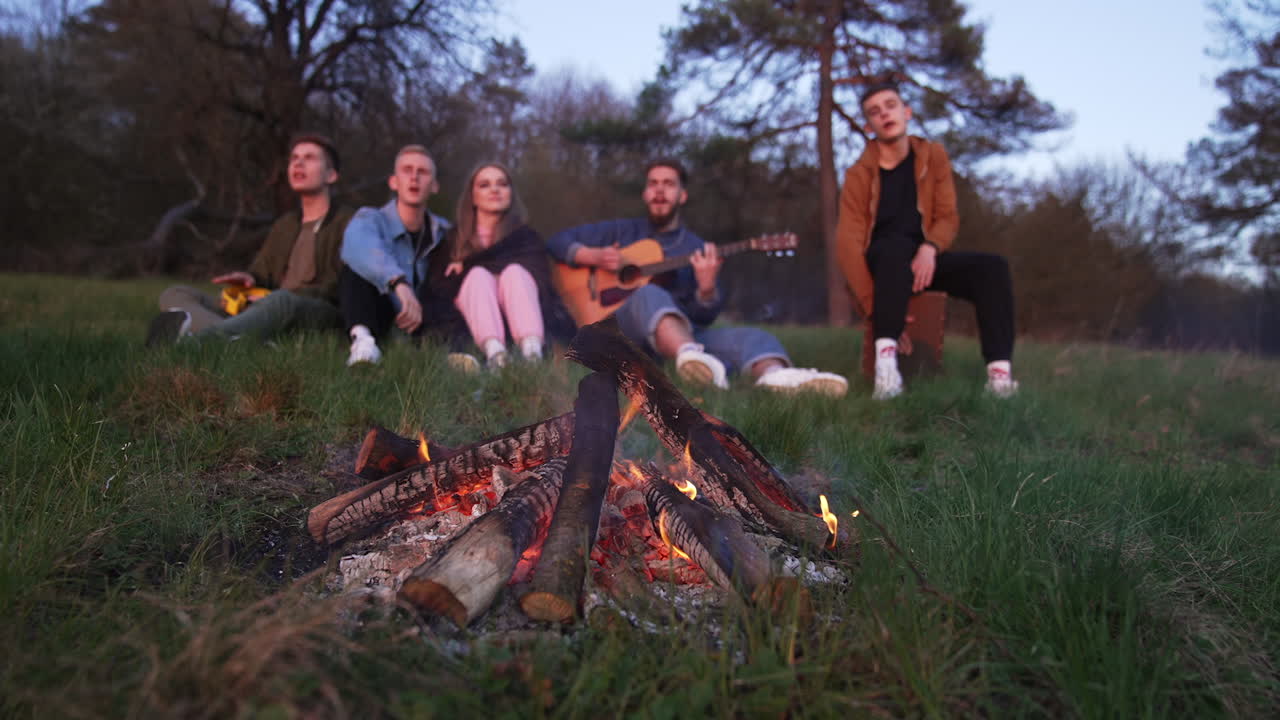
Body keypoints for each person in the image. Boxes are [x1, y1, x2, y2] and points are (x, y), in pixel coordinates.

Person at [546, 158, 849, 396]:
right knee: (650, 294)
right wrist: (589, 255)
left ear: (683, 194)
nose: (660, 190)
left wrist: (706, 290)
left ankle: (776, 377)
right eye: (653, 184)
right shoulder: (621, 231)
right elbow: (557, 242)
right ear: (645, 193)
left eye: (668, 184)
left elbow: (702, 317)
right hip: (618, 329)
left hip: (674, 339)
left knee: (757, 336)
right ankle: (691, 358)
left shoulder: (696, 248)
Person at [835, 82, 1018, 399]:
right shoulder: (858, 174)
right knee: (893, 247)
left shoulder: (933, 156)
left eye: (890, 105)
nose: (885, 114)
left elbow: (948, 216)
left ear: (906, 112)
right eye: (875, 112)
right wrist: (873, 309)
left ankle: (999, 378)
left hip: (924, 258)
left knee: (992, 268)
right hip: (884, 261)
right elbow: (848, 244)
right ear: (868, 126)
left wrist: (930, 248)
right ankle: (887, 372)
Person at [146, 134, 353, 345]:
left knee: (281, 300)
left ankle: (197, 343)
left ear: (331, 175)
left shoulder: (351, 222)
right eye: (294, 158)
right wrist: (248, 279)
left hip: (316, 312)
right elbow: (261, 273)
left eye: (309, 158)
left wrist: (273, 297)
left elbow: (342, 285)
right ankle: (245, 340)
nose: (298, 163)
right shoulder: (285, 224)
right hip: (265, 306)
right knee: (177, 293)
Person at [428, 162, 574, 369]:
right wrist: (476, 273)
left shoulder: (526, 237)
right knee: (478, 275)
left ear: (511, 193)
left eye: (502, 184)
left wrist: (472, 268)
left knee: (514, 273)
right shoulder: (453, 240)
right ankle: (496, 356)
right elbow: (439, 289)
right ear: (472, 196)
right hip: (471, 324)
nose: (494, 189)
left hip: (525, 319)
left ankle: (532, 354)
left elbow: (541, 281)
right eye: (485, 185)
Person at [338, 144, 452, 366]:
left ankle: (448, 350)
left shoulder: (445, 231)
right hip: (380, 310)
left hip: (425, 320)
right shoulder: (370, 218)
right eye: (407, 170)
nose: (414, 178)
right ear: (393, 181)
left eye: (423, 172)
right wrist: (398, 282)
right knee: (355, 266)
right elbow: (355, 245)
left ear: (435, 186)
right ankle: (363, 343)